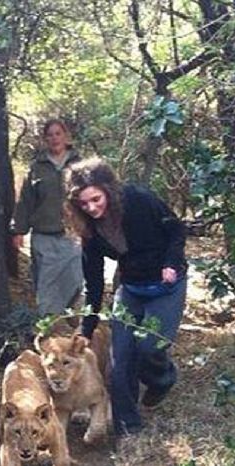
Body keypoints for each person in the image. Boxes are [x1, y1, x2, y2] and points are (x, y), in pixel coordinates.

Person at [63, 158, 187, 437]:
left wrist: (171, 262)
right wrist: (86, 329)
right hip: (131, 289)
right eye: (84, 204)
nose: (92, 208)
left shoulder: (139, 199)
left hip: (166, 286)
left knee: (149, 347)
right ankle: (127, 432)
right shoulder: (91, 231)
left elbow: (176, 229)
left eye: (96, 199)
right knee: (120, 363)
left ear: (108, 190)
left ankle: (162, 379)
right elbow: (93, 283)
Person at [10, 119, 84, 317]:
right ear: (45, 139)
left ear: (66, 136)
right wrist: (18, 231)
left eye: (58, 133)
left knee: (76, 281)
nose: (54, 138)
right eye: (49, 135)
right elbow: (25, 201)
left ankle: (72, 325)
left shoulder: (80, 165)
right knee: (46, 284)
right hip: (44, 235)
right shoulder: (37, 167)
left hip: (73, 236)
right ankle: (49, 327)